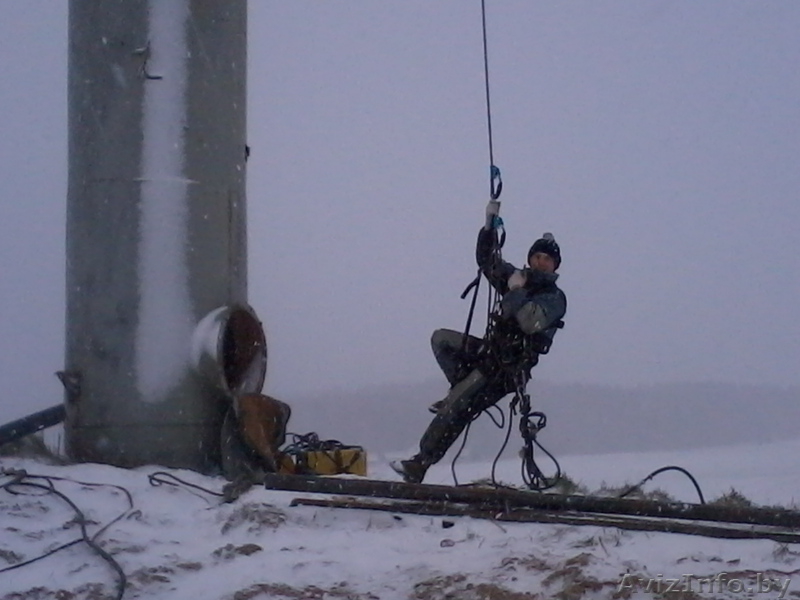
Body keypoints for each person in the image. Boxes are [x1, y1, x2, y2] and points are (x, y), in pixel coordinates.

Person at [391, 199, 567, 484]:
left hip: (507, 370)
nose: (540, 261)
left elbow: (528, 321)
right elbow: (488, 261)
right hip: (489, 354)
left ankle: (419, 463)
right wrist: (488, 227)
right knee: (442, 340)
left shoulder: (554, 298)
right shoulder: (517, 278)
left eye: (547, 259)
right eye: (537, 256)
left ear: (555, 265)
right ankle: (458, 388)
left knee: (458, 407)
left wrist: (515, 292)